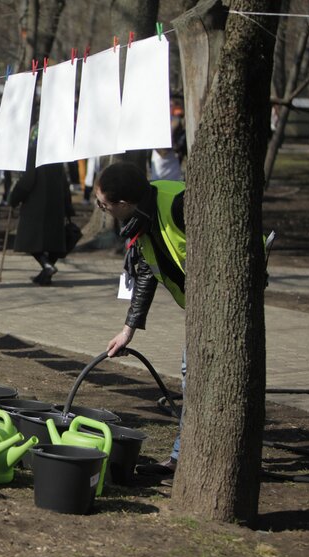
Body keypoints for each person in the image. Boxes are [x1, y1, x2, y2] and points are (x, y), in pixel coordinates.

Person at [94, 161, 186, 476]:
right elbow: (147, 272)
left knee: (194, 376)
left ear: (123, 204)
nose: (101, 209)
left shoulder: (177, 204)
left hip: (224, 303)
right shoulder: (142, 218)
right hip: (199, 306)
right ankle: (182, 455)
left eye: (103, 204)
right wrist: (127, 330)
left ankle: (182, 457)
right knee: (192, 376)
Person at [9, 134, 74, 286]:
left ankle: (47, 266)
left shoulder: (34, 152)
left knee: (30, 239)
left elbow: (27, 180)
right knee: (52, 243)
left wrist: (15, 198)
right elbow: (64, 182)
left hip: (36, 205)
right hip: (56, 205)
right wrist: (67, 205)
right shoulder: (56, 155)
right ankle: (46, 273)